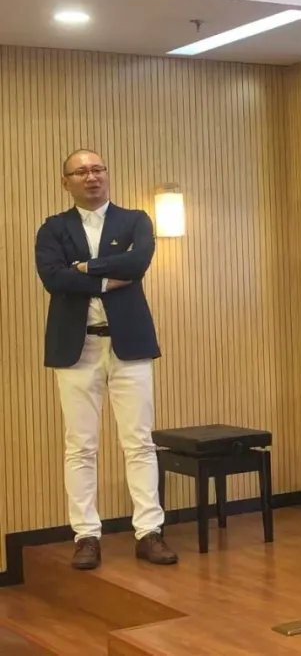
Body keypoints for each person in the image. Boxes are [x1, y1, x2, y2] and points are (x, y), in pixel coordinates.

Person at [34, 149, 177, 570]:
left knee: (140, 442)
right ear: (66, 183)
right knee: (80, 445)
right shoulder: (53, 227)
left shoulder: (135, 220)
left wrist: (84, 268)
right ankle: (86, 536)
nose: (92, 177)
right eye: (81, 172)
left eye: (97, 169)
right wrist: (104, 279)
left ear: (107, 175)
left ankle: (149, 532)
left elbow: (138, 262)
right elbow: (53, 277)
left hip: (129, 343)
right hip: (77, 347)